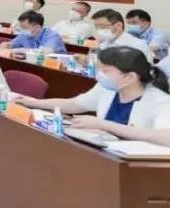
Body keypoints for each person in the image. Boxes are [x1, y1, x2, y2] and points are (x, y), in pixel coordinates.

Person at [18, 47, 170, 147]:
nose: (100, 75)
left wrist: (103, 125)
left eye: (106, 71)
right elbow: (74, 104)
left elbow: (166, 137)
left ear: (130, 77)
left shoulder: (160, 101)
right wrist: (33, 102)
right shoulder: (108, 89)